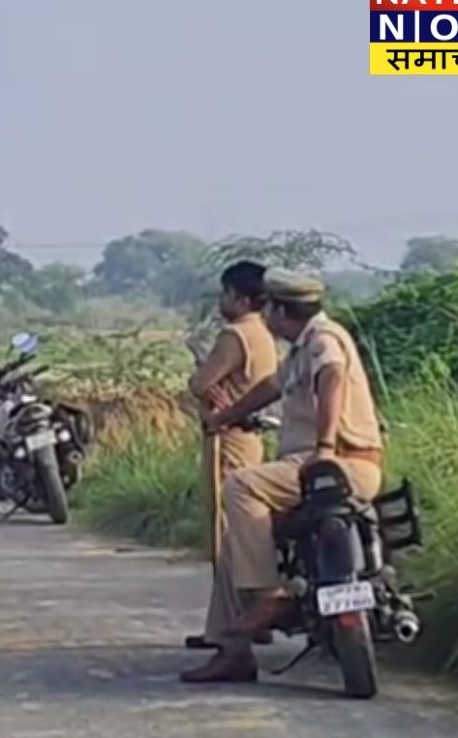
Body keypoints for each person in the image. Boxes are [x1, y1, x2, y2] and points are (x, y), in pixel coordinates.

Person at [180, 268, 384, 684]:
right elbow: (270, 388)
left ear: (277, 309)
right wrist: (225, 416)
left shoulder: (323, 342)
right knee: (245, 535)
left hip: (335, 465)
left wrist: (325, 447)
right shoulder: (302, 349)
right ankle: (236, 647)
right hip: (336, 467)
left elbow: (333, 379)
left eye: (267, 307)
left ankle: (268, 595)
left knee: (240, 487)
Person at [181, 261, 278, 658]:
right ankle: (250, 620)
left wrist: (206, 394)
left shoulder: (234, 334)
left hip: (228, 439)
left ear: (238, 298)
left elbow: (200, 382)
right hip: (251, 438)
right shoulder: (266, 336)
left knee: (226, 535)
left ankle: (229, 629)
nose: (222, 302)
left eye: (225, 294)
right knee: (245, 534)